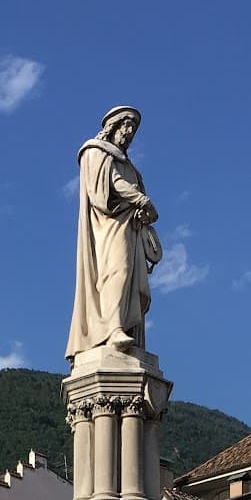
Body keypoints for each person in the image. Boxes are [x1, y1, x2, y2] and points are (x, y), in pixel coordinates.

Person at [66, 105, 163, 360]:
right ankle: (113, 328)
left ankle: (123, 326)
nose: (129, 132)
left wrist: (142, 212)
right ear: (113, 127)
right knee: (116, 270)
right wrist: (142, 200)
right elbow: (112, 185)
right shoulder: (96, 152)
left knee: (130, 275)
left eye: (133, 128)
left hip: (130, 225)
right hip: (109, 225)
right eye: (126, 126)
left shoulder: (130, 165)